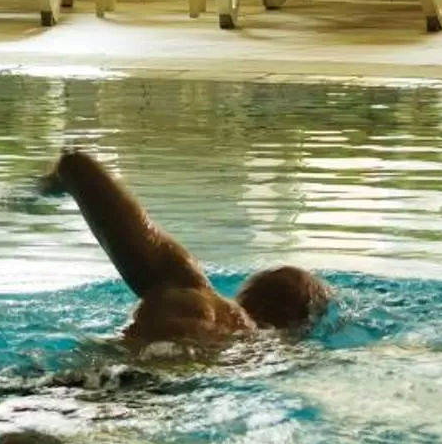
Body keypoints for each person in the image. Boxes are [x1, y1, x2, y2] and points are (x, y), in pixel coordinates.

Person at [40, 148, 331, 352]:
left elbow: (84, 172)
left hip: (111, 376)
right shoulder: (272, 352)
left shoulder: (189, 289)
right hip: (174, 402)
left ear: (246, 291)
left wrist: (57, 178)